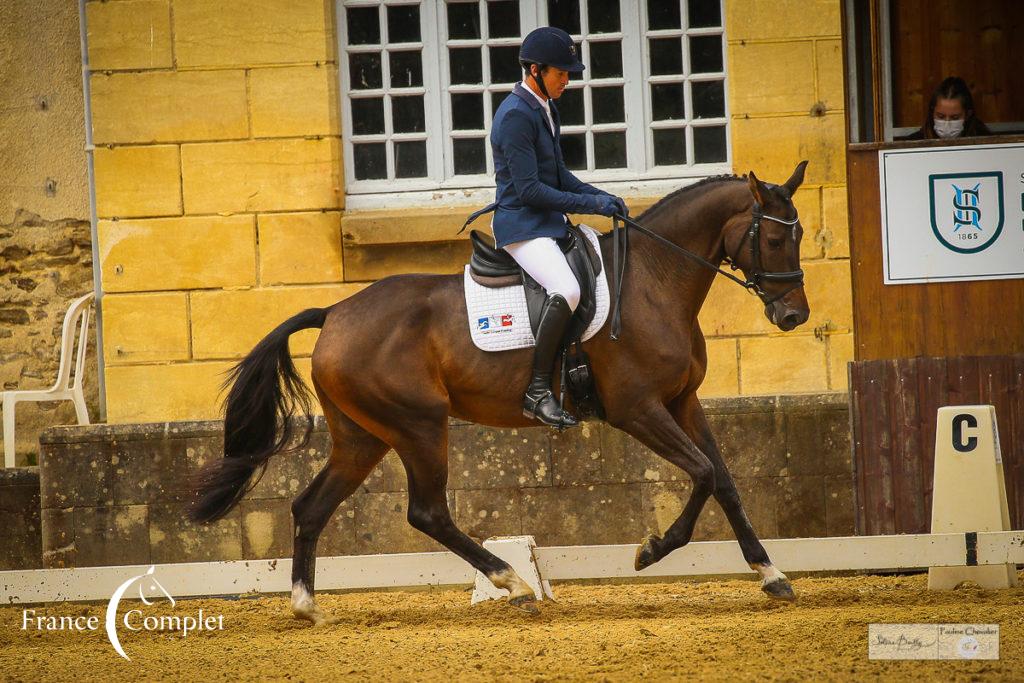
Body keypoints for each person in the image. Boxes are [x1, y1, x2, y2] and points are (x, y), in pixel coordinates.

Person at [489, 26, 627, 429]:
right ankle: (535, 391)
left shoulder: (544, 107)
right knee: (567, 289)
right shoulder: (516, 115)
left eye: (568, 72)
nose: (567, 79)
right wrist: (590, 205)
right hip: (522, 225)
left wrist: (602, 197)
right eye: (561, 72)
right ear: (535, 70)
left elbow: (559, 175)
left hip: (546, 221)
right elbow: (531, 190)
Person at [901, 76, 991, 140]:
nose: (947, 123)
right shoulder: (914, 142)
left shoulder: (987, 142)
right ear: (932, 111)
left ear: (967, 114)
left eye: (955, 117)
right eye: (940, 116)